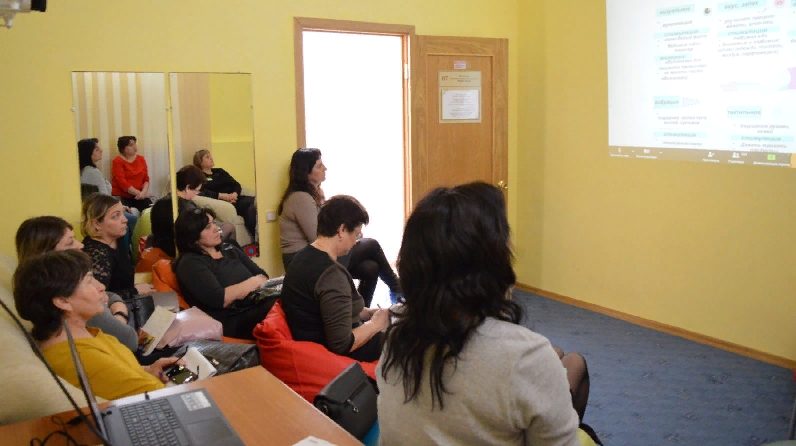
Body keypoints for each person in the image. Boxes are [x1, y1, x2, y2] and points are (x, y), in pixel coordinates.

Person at [377, 182, 598, 446]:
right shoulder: (526, 356)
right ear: (491, 262)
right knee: (573, 362)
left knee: (556, 354)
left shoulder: (396, 332)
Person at [13, 250, 183, 401]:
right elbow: (168, 399)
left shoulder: (83, 334)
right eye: (89, 281)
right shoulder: (80, 359)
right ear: (63, 301)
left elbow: (116, 374)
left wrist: (148, 370)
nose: (101, 286)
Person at [278, 148, 401, 306]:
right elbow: (318, 236)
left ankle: (361, 312)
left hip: (315, 255)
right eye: (319, 166)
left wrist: (350, 233)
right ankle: (397, 287)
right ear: (306, 172)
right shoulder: (300, 198)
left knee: (371, 268)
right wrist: (350, 236)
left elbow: (327, 227)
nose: (325, 168)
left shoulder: (313, 194)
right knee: (372, 245)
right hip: (303, 260)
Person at [281, 195, 390, 362]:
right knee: (410, 338)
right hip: (335, 355)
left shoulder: (303, 257)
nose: (356, 242)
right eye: (356, 234)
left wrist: (369, 313)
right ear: (342, 230)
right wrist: (375, 325)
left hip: (311, 342)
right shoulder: (331, 275)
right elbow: (342, 344)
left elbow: (332, 311)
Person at [15, 216, 138, 352]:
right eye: (70, 243)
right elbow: (129, 339)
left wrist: (115, 303)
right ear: (49, 256)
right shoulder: (71, 303)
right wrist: (120, 313)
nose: (80, 245)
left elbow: (110, 295)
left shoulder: (47, 288)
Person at [172, 208, 273, 339]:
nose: (216, 228)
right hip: (230, 320)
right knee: (278, 305)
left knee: (288, 297)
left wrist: (250, 285)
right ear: (193, 236)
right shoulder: (190, 262)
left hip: (253, 303)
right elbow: (220, 299)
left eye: (214, 223)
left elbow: (263, 275)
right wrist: (253, 282)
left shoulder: (230, 248)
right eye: (208, 227)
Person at [137, 166, 237, 273]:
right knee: (229, 227)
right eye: (197, 191)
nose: (196, 195)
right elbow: (196, 235)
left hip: (160, 246)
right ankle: (230, 267)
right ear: (187, 187)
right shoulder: (187, 209)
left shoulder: (159, 203)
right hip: (181, 250)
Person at [81, 193, 156, 300]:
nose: (125, 220)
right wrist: (135, 290)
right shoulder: (96, 254)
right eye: (116, 216)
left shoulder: (117, 238)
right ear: (96, 224)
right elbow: (99, 297)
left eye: (122, 213)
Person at [78, 137, 139, 236]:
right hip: (101, 210)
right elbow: (104, 197)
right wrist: (119, 208)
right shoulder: (92, 172)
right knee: (132, 217)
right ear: (88, 153)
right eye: (97, 149)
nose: (101, 150)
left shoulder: (86, 170)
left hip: (98, 208)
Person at [193, 149, 257, 239]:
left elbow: (236, 184)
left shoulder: (220, 171)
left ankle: (259, 236)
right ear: (200, 162)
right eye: (207, 157)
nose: (211, 158)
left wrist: (235, 194)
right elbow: (204, 192)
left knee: (256, 202)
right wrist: (223, 196)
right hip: (224, 203)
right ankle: (257, 237)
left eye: (210, 156)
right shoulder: (200, 177)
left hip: (236, 198)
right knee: (250, 207)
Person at [111, 136, 153, 213]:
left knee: (151, 211)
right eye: (131, 145)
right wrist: (141, 194)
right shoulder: (117, 161)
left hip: (139, 196)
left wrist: (143, 192)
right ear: (123, 148)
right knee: (129, 214)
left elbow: (146, 179)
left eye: (135, 144)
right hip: (123, 196)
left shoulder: (141, 159)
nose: (134, 147)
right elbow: (123, 183)